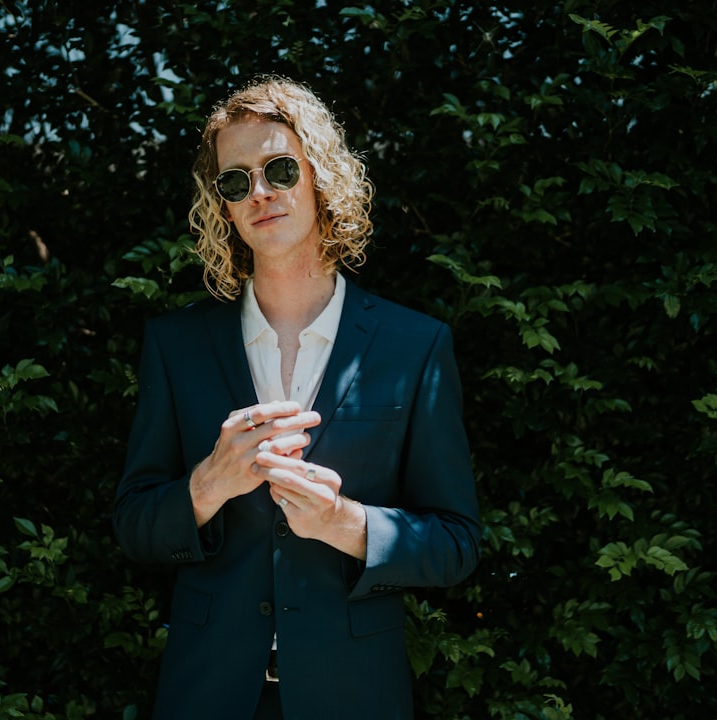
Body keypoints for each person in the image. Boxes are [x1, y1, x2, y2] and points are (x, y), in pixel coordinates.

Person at [112, 76, 480, 720]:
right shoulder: (176, 345)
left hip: (355, 696)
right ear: (220, 204)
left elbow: (454, 543)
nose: (260, 192)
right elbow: (135, 527)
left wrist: (345, 523)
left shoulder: (413, 345)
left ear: (320, 177)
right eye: (236, 180)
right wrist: (207, 486)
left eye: (280, 168)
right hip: (208, 695)